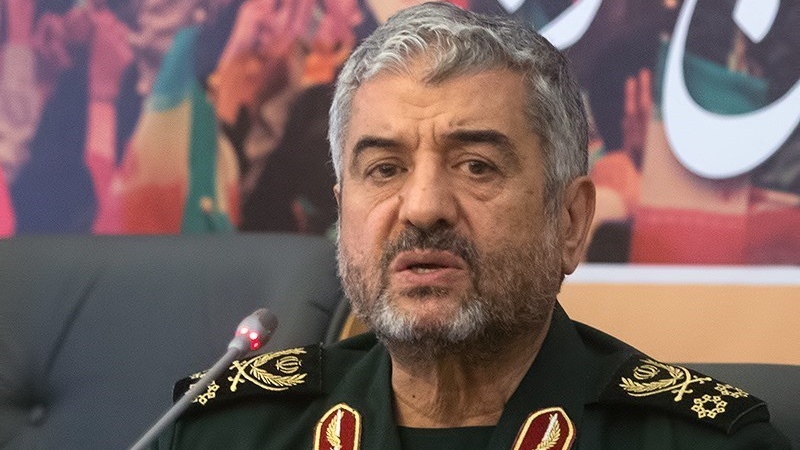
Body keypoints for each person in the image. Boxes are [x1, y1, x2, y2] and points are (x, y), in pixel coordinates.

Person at [153, 3, 790, 448]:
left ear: (571, 222)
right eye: (385, 169)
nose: (423, 207)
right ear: (343, 212)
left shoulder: (699, 442)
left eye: (477, 166)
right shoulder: (224, 433)